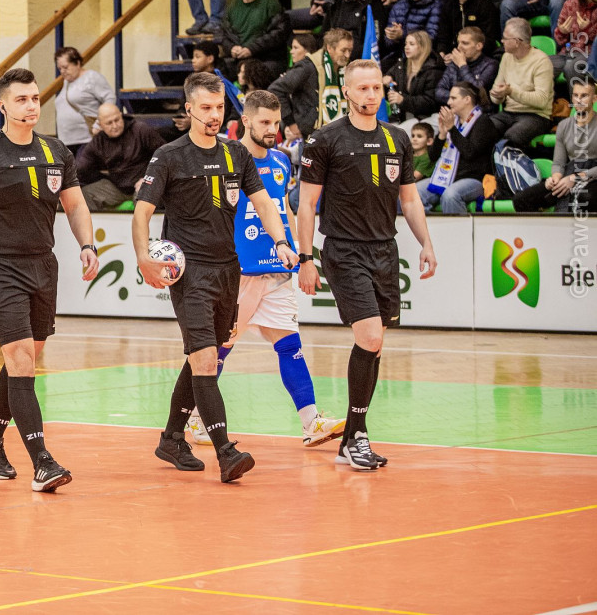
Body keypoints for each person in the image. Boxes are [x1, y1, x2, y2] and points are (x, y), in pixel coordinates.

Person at [133, 73, 298, 483]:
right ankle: (226, 451)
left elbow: (264, 202)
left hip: (229, 270)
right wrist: (143, 258)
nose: (213, 115)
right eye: (205, 108)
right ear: (189, 108)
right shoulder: (169, 156)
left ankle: (172, 438)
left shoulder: (236, 154)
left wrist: (281, 241)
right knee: (207, 358)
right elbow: (142, 213)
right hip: (190, 274)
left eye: (219, 107)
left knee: (202, 356)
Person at [0, 68, 99, 493]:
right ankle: (42, 462)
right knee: (20, 360)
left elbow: (75, 206)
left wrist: (88, 245)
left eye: (34, 98)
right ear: (3, 106)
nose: (31, 106)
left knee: (26, 359)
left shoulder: (56, 151)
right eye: (21, 99)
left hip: (42, 266)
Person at [182, 89, 345, 448]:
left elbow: (283, 209)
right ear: (246, 121)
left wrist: (298, 252)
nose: (273, 129)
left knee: (290, 344)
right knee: (219, 347)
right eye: (265, 122)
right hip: (238, 273)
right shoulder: (225, 158)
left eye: (277, 122)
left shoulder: (282, 161)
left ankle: (311, 422)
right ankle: (193, 419)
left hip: (276, 270)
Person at [297, 59, 437, 471]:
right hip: (344, 250)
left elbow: (409, 199)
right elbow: (306, 204)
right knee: (371, 336)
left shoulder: (397, 138)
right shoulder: (325, 140)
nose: (371, 95)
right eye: (362, 88)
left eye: (376, 87)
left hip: (384, 251)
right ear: (346, 92)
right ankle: (356, 435)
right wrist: (306, 258)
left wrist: (426, 243)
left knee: (376, 345)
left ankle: (351, 439)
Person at [514, 77, 596, 214]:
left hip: (593, 177)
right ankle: (545, 228)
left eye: (584, 96)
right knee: (521, 200)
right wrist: (555, 178)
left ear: (594, 99)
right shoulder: (564, 126)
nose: (579, 100)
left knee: (585, 197)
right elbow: (559, 162)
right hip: (570, 173)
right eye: (575, 95)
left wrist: (576, 178)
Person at [419, 82, 500, 214]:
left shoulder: (483, 122)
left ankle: (457, 228)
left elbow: (470, 152)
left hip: (475, 180)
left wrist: (452, 129)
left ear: (467, 99)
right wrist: (442, 135)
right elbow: (432, 157)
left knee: (450, 195)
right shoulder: (453, 121)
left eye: (453, 98)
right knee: (413, 193)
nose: (449, 102)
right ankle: (426, 228)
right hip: (446, 177)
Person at [269, 28, 354, 141]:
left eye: (350, 50)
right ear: (329, 48)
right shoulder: (308, 67)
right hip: (312, 136)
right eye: (343, 50)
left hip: (340, 136)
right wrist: (291, 123)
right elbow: (275, 89)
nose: (347, 55)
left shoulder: (346, 69)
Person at [75, 102, 164, 211]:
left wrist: (149, 178)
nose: (114, 126)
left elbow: (165, 156)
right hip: (117, 186)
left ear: (121, 115)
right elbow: (81, 168)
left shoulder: (140, 129)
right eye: (109, 123)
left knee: (145, 195)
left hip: (144, 183)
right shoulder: (98, 141)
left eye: (117, 120)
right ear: (100, 125)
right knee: (85, 195)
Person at [490, 18, 555, 150]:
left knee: (511, 137)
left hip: (536, 116)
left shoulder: (541, 61)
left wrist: (511, 92)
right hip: (509, 113)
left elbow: (542, 100)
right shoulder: (506, 57)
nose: (501, 41)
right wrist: (497, 95)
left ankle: (506, 164)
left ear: (516, 42)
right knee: (483, 131)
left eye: (505, 38)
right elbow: (496, 93)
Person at [216, 0, 290, 76]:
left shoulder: (271, 3)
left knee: (253, 73)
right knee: (215, 74)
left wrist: (252, 49)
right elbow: (223, 34)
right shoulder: (233, 7)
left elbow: (279, 33)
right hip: (239, 59)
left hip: (267, 59)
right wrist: (231, 48)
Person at [53, 46, 114, 156]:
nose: (62, 71)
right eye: (59, 68)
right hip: (66, 141)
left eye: (65, 67)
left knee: (83, 166)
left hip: (86, 139)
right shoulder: (67, 82)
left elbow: (110, 99)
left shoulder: (92, 77)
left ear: (77, 63)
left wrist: (99, 122)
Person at [383, 0, 444, 65]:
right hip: (398, 59)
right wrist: (393, 37)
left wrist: (403, 34)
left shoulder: (437, 5)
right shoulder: (399, 6)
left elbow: (431, 39)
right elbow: (387, 43)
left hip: (425, 61)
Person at [383, 30, 444, 127]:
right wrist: (386, 78)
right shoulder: (401, 65)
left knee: (397, 133)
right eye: (406, 44)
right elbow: (390, 75)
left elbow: (430, 102)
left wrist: (403, 100)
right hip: (400, 117)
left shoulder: (434, 70)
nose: (406, 47)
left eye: (411, 44)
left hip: (425, 119)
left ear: (423, 47)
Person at [553, 0, 597, 80]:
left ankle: (578, 93)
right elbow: (559, 39)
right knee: (542, 63)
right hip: (568, 52)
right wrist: (562, 32)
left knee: (571, 67)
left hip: (589, 54)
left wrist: (587, 29)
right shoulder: (571, 4)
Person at [436, 27, 499, 106]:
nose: (459, 47)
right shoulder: (455, 63)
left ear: (479, 46)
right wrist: (459, 99)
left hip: (480, 111)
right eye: (458, 42)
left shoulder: (490, 65)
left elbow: (477, 92)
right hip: (454, 110)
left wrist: (462, 65)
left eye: (465, 43)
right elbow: (438, 91)